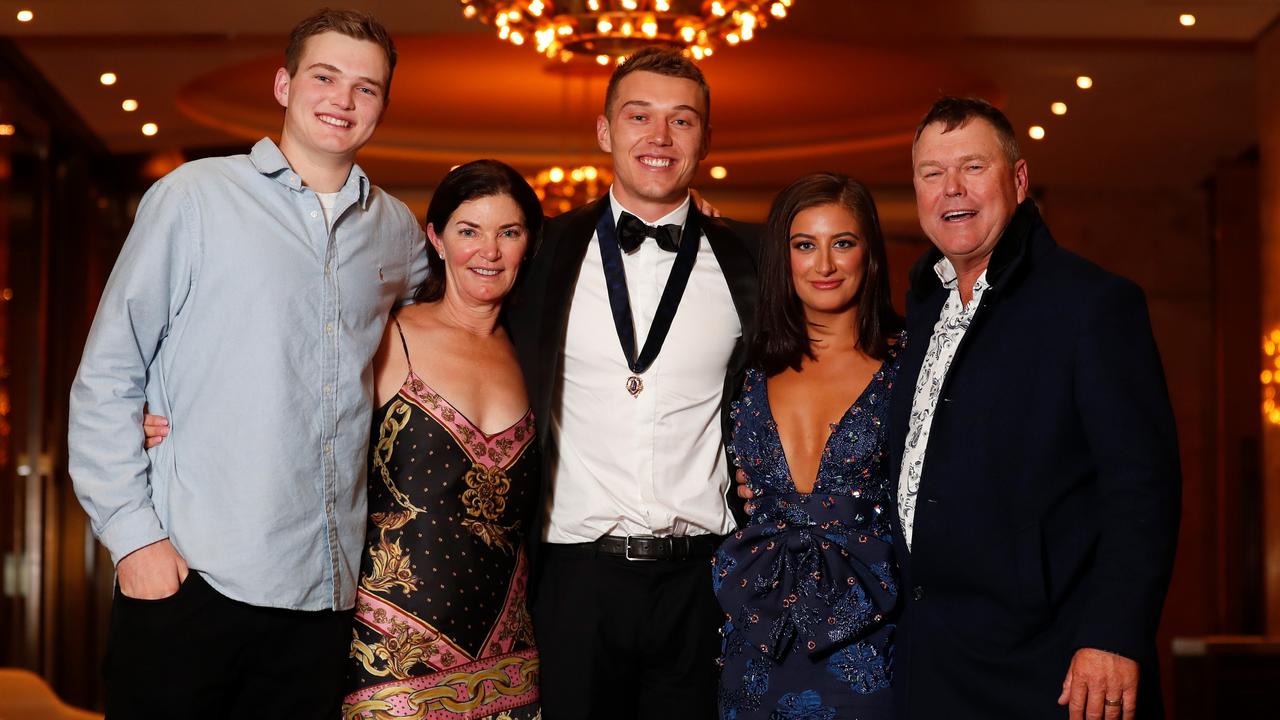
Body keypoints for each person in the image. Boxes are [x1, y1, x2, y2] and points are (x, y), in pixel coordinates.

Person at [67, 9, 425, 717]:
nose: (343, 101)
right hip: (192, 579)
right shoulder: (194, 197)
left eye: (366, 88)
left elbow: (437, 339)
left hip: (325, 593)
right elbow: (110, 371)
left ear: (382, 105)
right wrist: (134, 539)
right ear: (284, 83)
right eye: (325, 77)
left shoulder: (397, 231)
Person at [889, 97, 1180, 720]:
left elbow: (1142, 487)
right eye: (932, 173)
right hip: (930, 662)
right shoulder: (919, 310)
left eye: (972, 167)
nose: (952, 189)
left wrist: (1113, 634)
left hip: (1053, 668)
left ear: (1017, 180)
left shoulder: (1092, 305)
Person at [505, 47, 757, 719]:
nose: (659, 137)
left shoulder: (750, 262)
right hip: (573, 581)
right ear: (604, 130)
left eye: (682, 121)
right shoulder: (539, 254)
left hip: (702, 581)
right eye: (639, 116)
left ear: (705, 139)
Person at [341, 160, 543, 719]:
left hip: (510, 653)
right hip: (388, 652)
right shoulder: (389, 335)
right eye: (468, 231)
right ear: (435, 237)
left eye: (510, 232)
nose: (490, 252)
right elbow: (300, 430)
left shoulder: (535, 352)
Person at [714, 173, 903, 720]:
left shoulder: (910, 366)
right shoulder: (745, 370)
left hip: (873, 634)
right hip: (755, 639)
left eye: (842, 243)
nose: (824, 265)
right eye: (804, 245)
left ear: (869, 255)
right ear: (782, 256)